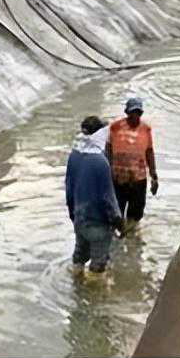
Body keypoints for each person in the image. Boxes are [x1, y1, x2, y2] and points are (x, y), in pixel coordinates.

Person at [65, 116, 124, 275]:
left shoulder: (74, 156)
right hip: (98, 224)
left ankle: (76, 283)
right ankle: (93, 290)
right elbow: (108, 199)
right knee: (98, 265)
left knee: (79, 257)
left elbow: (69, 189)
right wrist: (119, 222)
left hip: (79, 218)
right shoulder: (100, 162)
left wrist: (73, 216)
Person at [106, 97, 158, 232]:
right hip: (118, 178)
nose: (135, 116)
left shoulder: (146, 129)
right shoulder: (115, 127)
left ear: (141, 113)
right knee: (116, 212)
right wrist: (107, 170)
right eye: (132, 113)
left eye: (138, 113)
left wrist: (154, 176)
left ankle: (131, 237)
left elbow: (149, 151)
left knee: (135, 214)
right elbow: (108, 148)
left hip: (138, 179)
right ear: (127, 112)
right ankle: (118, 236)